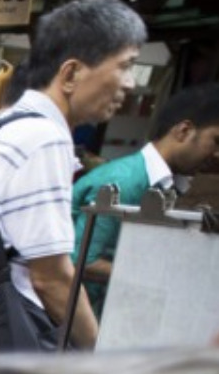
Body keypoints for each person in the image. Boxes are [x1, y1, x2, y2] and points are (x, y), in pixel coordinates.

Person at [0, 0, 146, 351]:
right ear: (70, 73)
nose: (130, 83)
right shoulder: (43, 139)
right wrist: (99, 350)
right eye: (125, 65)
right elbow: (51, 279)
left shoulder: (0, 125)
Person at [72, 82, 219, 319]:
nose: (217, 155)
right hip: (71, 324)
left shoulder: (168, 185)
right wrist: (161, 274)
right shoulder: (124, 182)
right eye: (216, 141)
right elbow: (83, 261)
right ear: (183, 131)